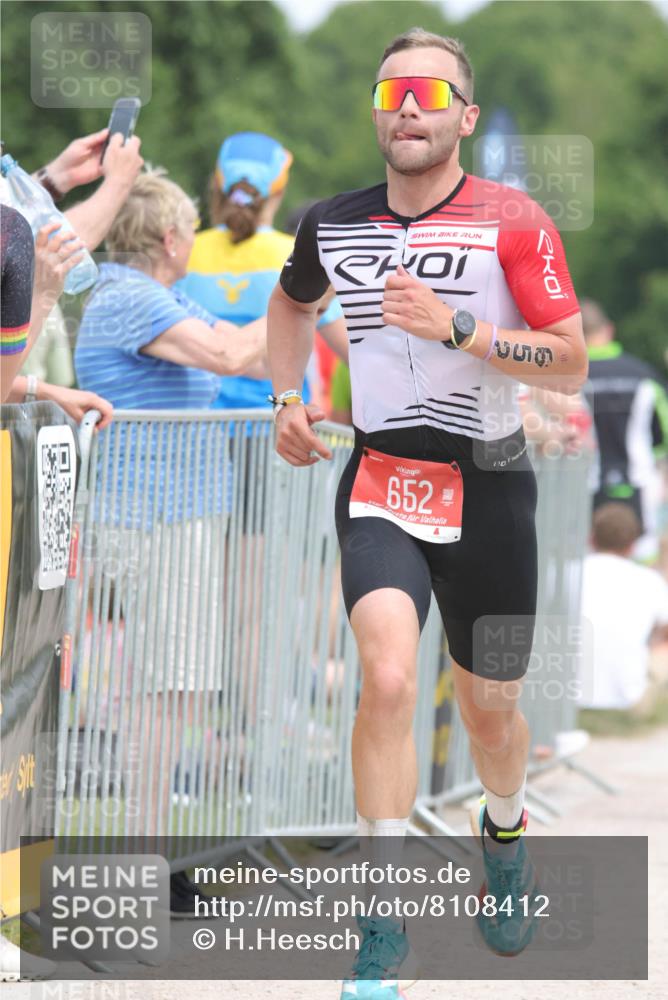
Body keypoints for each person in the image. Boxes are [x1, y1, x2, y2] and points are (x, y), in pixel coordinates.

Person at [267, 28, 587, 995]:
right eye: (392, 90)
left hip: (490, 483)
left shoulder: (514, 220)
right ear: (376, 110)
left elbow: (569, 359)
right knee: (390, 680)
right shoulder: (333, 222)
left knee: (491, 712)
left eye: (429, 92)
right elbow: (290, 309)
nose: (408, 106)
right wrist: (285, 397)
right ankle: (382, 923)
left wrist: (461, 329)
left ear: (465, 117)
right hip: (381, 480)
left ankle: (505, 829)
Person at [74, 168, 265, 918]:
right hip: (155, 515)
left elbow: (228, 348)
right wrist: (300, 300)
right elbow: (225, 357)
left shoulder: (149, 296)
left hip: (174, 512)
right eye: (188, 230)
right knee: (163, 690)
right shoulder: (132, 298)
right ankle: (140, 862)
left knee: (176, 690)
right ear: (167, 237)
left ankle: (152, 854)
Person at [178, 131, 347, 411]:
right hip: (276, 423)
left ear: (218, 185)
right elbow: (354, 351)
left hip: (199, 427)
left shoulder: (184, 251)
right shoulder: (299, 255)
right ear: (279, 191)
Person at [581, 298, 668, 562]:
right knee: (643, 561)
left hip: (584, 486)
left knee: (590, 567)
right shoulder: (644, 375)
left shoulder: (571, 378)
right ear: (608, 330)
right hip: (639, 484)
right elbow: (662, 436)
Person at [578, 503, 668, 713]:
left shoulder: (570, 572)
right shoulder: (650, 581)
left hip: (564, 694)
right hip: (628, 698)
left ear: (591, 539)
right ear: (632, 545)